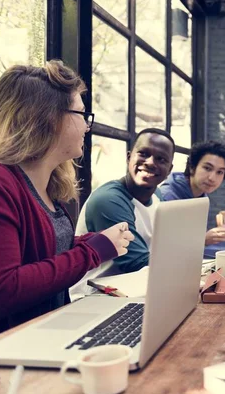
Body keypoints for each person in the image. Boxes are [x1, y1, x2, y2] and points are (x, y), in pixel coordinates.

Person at [0, 61, 133, 334]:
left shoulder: (47, 184)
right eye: (81, 113)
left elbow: (39, 253)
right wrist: (92, 252)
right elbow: (3, 290)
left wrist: (92, 241)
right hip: (11, 354)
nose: (87, 126)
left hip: (48, 334)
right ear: (48, 117)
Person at [69, 128, 174, 300]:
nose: (150, 162)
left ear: (169, 169)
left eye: (161, 159)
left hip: (136, 289)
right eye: (143, 153)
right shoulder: (109, 200)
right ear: (128, 157)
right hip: (94, 296)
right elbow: (136, 263)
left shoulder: (157, 196)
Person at [160, 140, 225, 245]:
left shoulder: (201, 196)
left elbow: (189, 234)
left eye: (219, 172)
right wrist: (202, 240)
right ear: (192, 167)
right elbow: (165, 244)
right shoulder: (168, 196)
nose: (212, 178)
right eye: (207, 168)